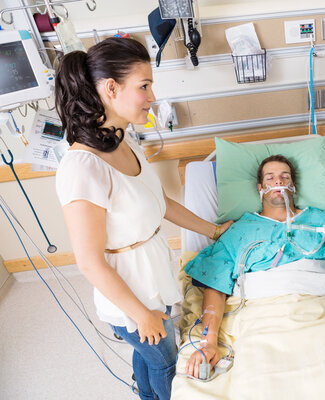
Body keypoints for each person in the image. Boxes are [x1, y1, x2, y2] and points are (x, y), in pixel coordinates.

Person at [54, 38, 232, 400]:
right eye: (144, 86)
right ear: (111, 88)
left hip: (154, 275)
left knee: (149, 355)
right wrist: (142, 314)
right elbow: (89, 262)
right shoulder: (82, 167)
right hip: (130, 294)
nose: (151, 97)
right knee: (165, 363)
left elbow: (158, 202)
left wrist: (214, 231)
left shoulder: (122, 140)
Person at [183, 155, 325, 377]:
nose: (278, 182)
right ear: (260, 187)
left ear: (293, 186)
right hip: (263, 318)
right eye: (271, 177)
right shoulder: (239, 231)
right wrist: (209, 342)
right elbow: (216, 284)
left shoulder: (321, 221)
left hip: (322, 312)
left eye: (285, 177)